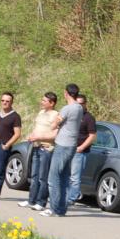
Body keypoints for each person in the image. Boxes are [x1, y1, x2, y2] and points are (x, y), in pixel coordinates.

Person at [40, 83, 83, 217]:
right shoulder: (79, 108)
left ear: (66, 93)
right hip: (72, 145)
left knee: (53, 179)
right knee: (64, 179)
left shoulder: (67, 109)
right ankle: (61, 209)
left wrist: (57, 120)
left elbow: (53, 125)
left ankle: (54, 209)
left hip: (63, 145)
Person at [17, 92, 59, 211]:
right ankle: (31, 200)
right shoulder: (41, 113)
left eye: (44, 101)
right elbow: (38, 128)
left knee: (42, 177)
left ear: (52, 103)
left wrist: (39, 137)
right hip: (35, 146)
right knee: (34, 176)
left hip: (46, 149)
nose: (42, 102)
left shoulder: (55, 115)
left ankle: (41, 202)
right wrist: (32, 135)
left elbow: (55, 134)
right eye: (42, 100)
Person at [67, 94, 97, 206]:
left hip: (79, 152)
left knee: (75, 177)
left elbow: (92, 136)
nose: (79, 106)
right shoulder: (72, 115)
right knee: (65, 174)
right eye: (77, 104)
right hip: (67, 149)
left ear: (85, 104)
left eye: (81, 104)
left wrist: (81, 147)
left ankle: (71, 198)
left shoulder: (89, 118)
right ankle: (68, 194)